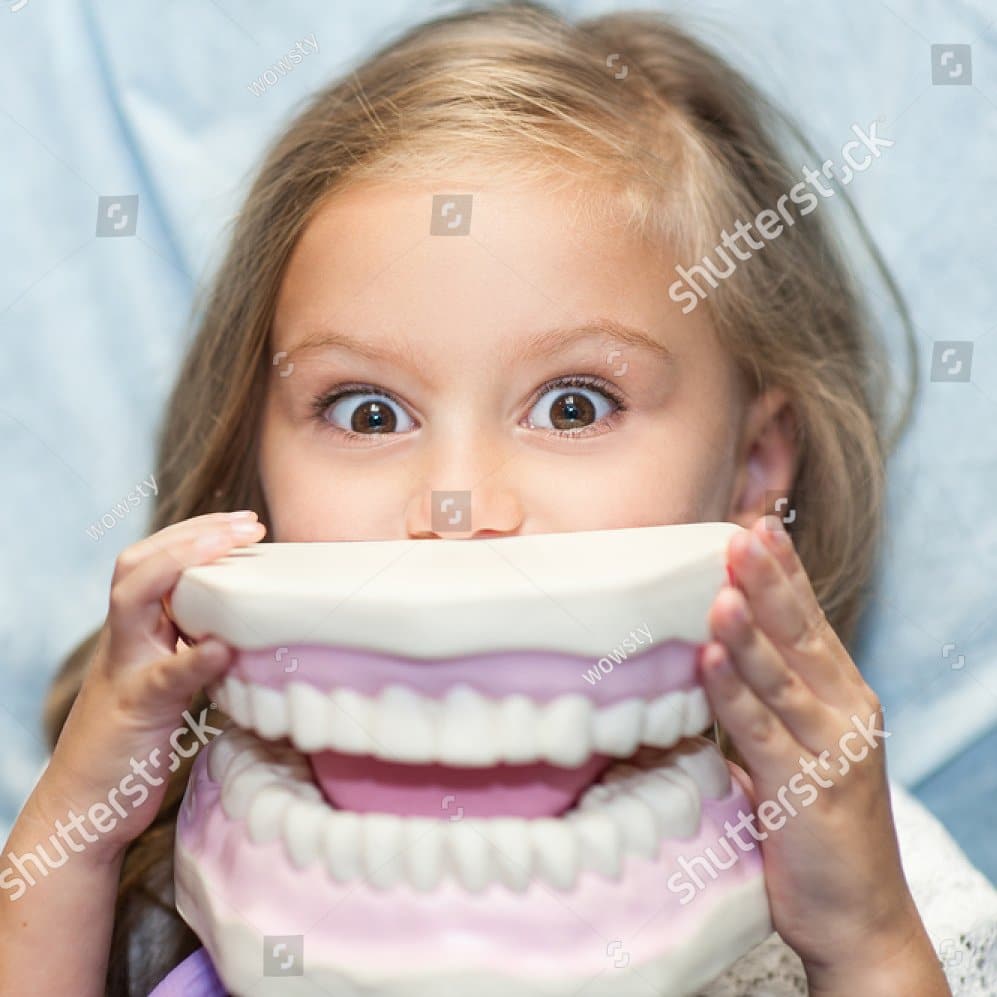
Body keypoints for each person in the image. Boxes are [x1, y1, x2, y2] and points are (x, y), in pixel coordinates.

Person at [2, 2, 990, 994]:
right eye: (368, 412)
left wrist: (861, 940)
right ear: (254, 466)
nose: (457, 505)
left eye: (572, 404)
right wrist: (71, 847)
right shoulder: (169, 865)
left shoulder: (859, 869)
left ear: (753, 470)